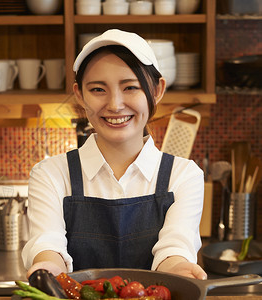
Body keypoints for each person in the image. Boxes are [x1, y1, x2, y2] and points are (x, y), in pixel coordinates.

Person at [21, 29, 207, 280]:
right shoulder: (51, 174)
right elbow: (48, 245)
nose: (115, 104)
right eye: (98, 89)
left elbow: (173, 250)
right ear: (79, 94)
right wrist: (47, 270)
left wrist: (178, 270)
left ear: (157, 90)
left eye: (130, 87)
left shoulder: (183, 176)